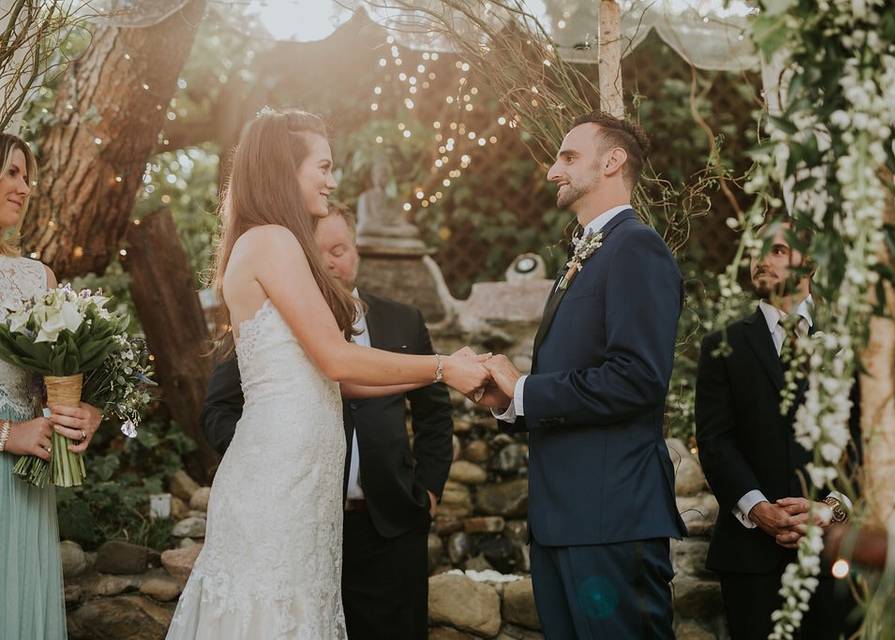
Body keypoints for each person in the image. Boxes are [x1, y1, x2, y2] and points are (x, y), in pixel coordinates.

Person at [165, 109, 487, 640]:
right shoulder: (272, 239)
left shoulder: (269, 241)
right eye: (323, 166)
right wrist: (444, 366)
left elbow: (345, 380)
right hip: (279, 477)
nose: (332, 180)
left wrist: (439, 375)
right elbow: (339, 359)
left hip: (302, 480)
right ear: (283, 169)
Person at [201, 201, 454, 639]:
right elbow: (218, 410)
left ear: (357, 251)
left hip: (390, 524)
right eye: (318, 251)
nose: (331, 261)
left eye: (341, 248)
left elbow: (434, 414)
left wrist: (427, 491)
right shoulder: (273, 321)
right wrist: (265, 464)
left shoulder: (403, 319)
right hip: (301, 523)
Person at [478, 111, 686, 639]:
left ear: (612, 161)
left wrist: (525, 390)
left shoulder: (636, 248)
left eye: (568, 157)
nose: (552, 171)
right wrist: (508, 402)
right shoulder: (585, 253)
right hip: (563, 520)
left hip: (610, 517)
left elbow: (637, 379)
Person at [695, 219, 856, 639]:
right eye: (755, 250)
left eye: (778, 250)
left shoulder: (850, 341)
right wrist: (756, 507)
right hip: (750, 557)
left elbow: (865, 440)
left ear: (812, 263)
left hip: (834, 551)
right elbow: (715, 441)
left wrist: (834, 506)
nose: (761, 259)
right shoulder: (722, 347)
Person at [0, 132, 104, 640]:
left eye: (26, 175)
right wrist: (6, 434)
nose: (23, 187)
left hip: (27, 479)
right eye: (11, 172)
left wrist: (85, 410)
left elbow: (57, 380)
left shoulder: (39, 279)